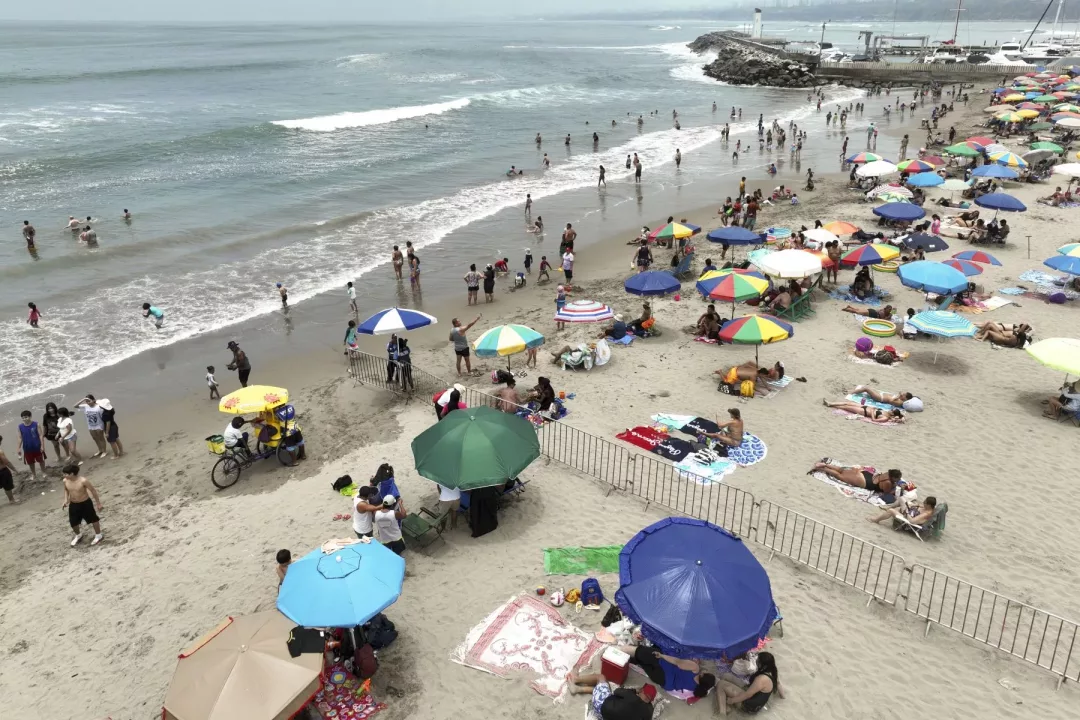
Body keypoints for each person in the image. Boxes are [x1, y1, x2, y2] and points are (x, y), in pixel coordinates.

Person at [624, 645, 716, 700]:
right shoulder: (696, 689)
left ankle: (616, 649)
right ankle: (629, 659)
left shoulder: (695, 668)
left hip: (663, 667)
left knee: (640, 651)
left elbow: (677, 661)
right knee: (641, 661)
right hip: (662, 681)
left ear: (703, 674)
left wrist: (662, 656)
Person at [566, 673, 656, 720]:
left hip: (601, 707)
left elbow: (617, 691)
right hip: (605, 717)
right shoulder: (648, 712)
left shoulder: (632, 696)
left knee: (601, 678)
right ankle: (578, 689)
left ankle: (576, 679)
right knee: (602, 690)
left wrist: (634, 691)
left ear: (642, 691)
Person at [810, 462, 900, 502]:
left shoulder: (887, 473)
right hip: (864, 481)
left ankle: (826, 464)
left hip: (865, 474)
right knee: (840, 476)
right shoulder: (888, 482)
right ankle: (821, 468)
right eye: (897, 479)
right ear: (893, 477)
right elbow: (887, 492)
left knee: (842, 470)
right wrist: (895, 489)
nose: (898, 480)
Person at [62, 463, 103, 547]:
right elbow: (66, 490)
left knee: (93, 519)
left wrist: (98, 503)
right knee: (73, 522)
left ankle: (98, 535)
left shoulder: (83, 481)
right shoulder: (65, 481)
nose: (64, 475)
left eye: (66, 474)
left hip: (85, 503)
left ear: (72, 474)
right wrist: (65, 500)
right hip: (73, 504)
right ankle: (78, 535)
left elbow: (93, 491)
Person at [869, 496, 937, 528]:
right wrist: (915, 505)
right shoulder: (929, 508)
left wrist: (907, 512)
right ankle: (886, 510)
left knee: (892, 510)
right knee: (900, 501)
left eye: (925, 503)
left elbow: (912, 521)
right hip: (910, 512)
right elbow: (921, 505)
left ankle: (876, 520)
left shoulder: (926, 514)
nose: (923, 503)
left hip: (907, 518)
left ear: (929, 505)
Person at [74, 395, 108, 459]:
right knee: (95, 438)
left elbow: (103, 417)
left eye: (89, 401)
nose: (88, 402)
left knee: (101, 438)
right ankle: (100, 450)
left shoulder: (99, 407)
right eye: (86, 401)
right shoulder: (86, 406)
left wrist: (104, 427)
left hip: (99, 425)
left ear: (94, 400)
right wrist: (83, 399)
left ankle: (104, 451)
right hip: (90, 425)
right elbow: (75, 406)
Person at [16, 410, 46, 481]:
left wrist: (42, 446)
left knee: (41, 461)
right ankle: (33, 474)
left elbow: (40, 435)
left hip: (37, 447)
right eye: (23, 418)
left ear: (30, 417)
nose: (24, 419)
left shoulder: (36, 424)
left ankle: (43, 472)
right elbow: (20, 437)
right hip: (27, 448)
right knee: (30, 462)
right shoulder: (20, 426)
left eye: (26, 417)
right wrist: (18, 448)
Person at [823, 399, 904, 424]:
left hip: (864, 412)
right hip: (866, 407)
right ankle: (830, 403)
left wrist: (872, 412)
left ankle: (830, 405)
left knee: (846, 407)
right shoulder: (886, 412)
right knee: (848, 403)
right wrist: (874, 408)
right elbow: (901, 416)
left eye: (892, 410)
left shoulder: (885, 418)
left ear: (892, 413)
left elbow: (874, 420)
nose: (890, 409)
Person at [851, 385, 923, 412]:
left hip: (880, 398)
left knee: (866, 388)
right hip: (881, 395)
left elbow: (891, 401)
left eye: (904, 395)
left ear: (906, 398)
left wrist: (898, 396)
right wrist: (899, 395)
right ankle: (853, 391)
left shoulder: (900, 402)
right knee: (867, 389)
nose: (902, 394)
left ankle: (851, 392)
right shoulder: (901, 400)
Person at [0, 436, 20, 505]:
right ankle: (11, 500)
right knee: (7, 487)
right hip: (2, 471)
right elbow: (6, 462)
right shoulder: (0, 451)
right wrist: (14, 470)